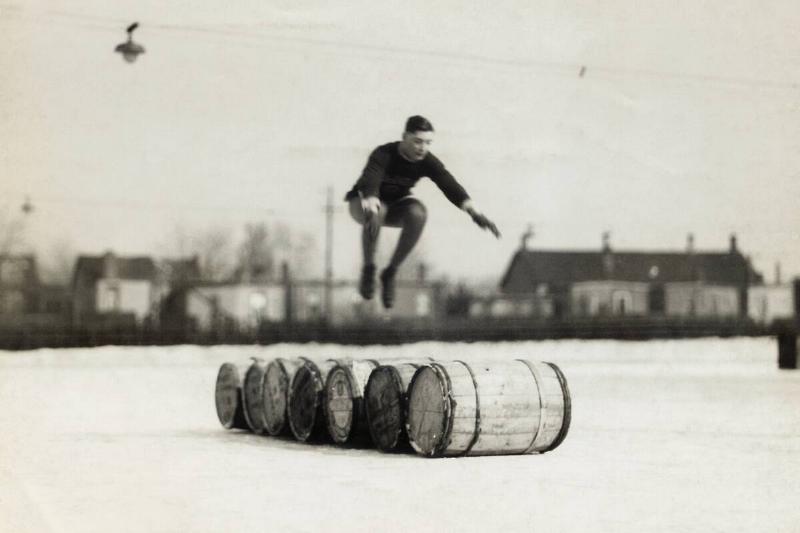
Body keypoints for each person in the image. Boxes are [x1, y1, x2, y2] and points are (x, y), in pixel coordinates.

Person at [345, 115, 500, 309]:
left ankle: (390, 273)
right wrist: (371, 202)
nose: (422, 148)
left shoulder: (427, 160)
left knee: (418, 212)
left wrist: (475, 213)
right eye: (417, 141)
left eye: (428, 143)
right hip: (363, 203)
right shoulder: (384, 153)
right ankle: (368, 269)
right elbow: (371, 180)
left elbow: (449, 184)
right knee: (378, 210)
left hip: (393, 206)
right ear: (404, 137)